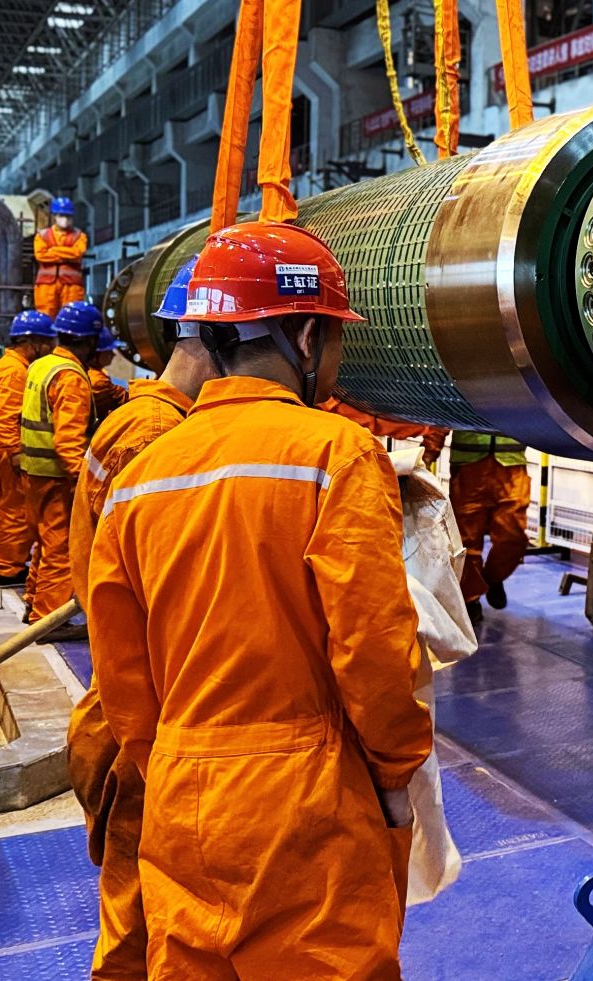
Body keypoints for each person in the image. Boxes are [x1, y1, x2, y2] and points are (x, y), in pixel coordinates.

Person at [87, 221, 431, 976]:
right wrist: (396, 770)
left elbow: (120, 675)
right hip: (305, 797)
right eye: (335, 337)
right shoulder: (335, 454)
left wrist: (173, 762)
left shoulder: (141, 476)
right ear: (304, 336)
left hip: (179, 794)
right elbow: (374, 646)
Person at [66, 258, 217, 980]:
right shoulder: (157, 436)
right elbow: (165, 590)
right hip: (142, 719)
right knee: (139, 920)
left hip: (127, 705)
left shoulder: (141, 416)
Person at [16, 299, 102, 630]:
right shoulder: (71, 377)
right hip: (56, 479)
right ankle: (47, 620)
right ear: (89, 340)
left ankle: (34, 602)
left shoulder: (42, 365)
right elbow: (68, 442)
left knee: (44, 544)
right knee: (60, 550)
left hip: (33, 473)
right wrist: (86, 483)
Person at [0, 309, 56, 587]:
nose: (50, 348)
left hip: (7, 451)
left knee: (16, 512)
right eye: (47, 342)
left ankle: (12, 563)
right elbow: (5, 418)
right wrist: (16, 453)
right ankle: (9, 570)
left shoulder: (13, 366)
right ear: (32, 342)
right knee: (14, 513)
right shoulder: (13, 371)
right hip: (9, 454)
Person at [448, 431, 530, 617]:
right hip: (468, 467)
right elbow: (442, 416)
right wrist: (428, 453)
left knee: (513, 537)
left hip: (511, 466)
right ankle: (470, 599)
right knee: (466, 541)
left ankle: (492, 578)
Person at [34, 194, 88, 315]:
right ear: (54, 216)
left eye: (68, 216)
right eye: (61, 215)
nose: (65, 219)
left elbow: (77, 253)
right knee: (46, 316)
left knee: (71, 315)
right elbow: (40, 255)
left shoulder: (80, 236)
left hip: (72, 285)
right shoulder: (42, 235)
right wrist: (67, 254)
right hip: (46, 285)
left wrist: (53, 250)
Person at [85, 327, 127, 424]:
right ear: (95, 354)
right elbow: (121, 399)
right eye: (109, 351)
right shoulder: (98, 381)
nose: (113, 355)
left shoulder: (93, 371)